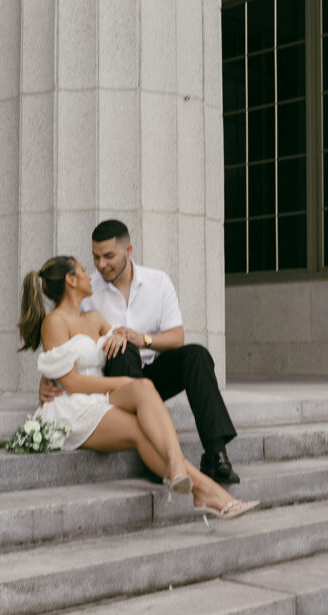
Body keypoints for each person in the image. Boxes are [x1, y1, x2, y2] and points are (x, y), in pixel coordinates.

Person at [20, 254, 258, 520]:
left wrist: (131, 340)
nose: (91, 275)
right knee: (140, 430)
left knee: (144, 387)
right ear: (71, 280)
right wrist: (118, 381)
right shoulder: (54, 322)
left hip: (99, 398)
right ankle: (206, 489)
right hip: (72, 406)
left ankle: (182, 471)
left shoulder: (94, 318)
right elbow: (72, 383)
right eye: (84, 271)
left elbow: (120, 341)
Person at [40, 219, 240, 485]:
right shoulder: (87, 291)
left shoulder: (158, 282)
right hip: (118, 377)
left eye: (109, 256)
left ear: (129, 250)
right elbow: (65, 341)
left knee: (197, 355)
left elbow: (176, 337)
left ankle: (216, 455)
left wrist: (141, 339)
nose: (101, 265)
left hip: (153, 372)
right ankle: (152, 451)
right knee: (121, 350)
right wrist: (48, 379)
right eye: (96, 257)